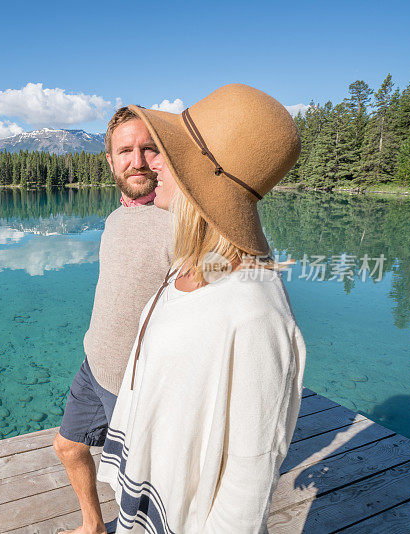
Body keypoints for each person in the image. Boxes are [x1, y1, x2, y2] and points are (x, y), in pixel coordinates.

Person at [97, 83, 307, 533]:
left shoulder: (256, 310)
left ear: (199, 179)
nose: (151, 164)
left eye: (166, 153)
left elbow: (249, 481)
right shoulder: (194, 267)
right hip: (150, 504)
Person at [53, 108, 173, 534]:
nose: (137, 161)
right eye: (125, 150)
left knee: (142, 499)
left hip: (138, 387)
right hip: (95, 365)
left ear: (163, 154)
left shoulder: (183, 220)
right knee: (67, 447)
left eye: (148, 148)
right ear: (110, 160)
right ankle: (92, 526)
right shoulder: (116, 217)